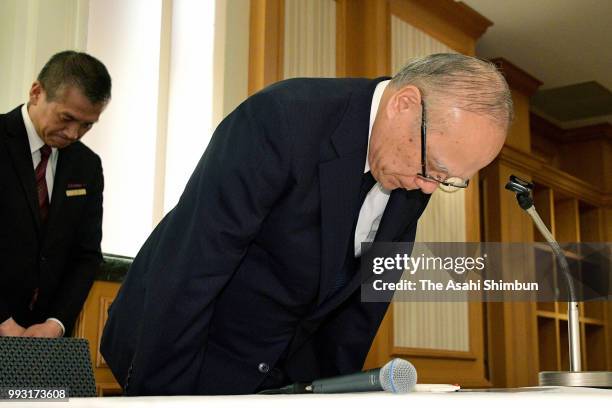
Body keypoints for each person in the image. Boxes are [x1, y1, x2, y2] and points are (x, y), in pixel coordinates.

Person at [101, 53, 512, 395]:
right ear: (403, 104)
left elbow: (360, 305)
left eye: (449, 180)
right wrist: (167, 400)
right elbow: (194, 265)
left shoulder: (412, 170)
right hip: (183, 352)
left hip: (277, 375)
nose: (428, 188)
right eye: (434, 168)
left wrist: (328, 395)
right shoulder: (282, 119)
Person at [0, 51, 111, 338]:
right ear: (37, 93)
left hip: (43, 338)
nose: (74, 133)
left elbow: (86, 255)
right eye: (67, 118)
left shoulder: (87, 165)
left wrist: (56, 322)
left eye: (87, 125)